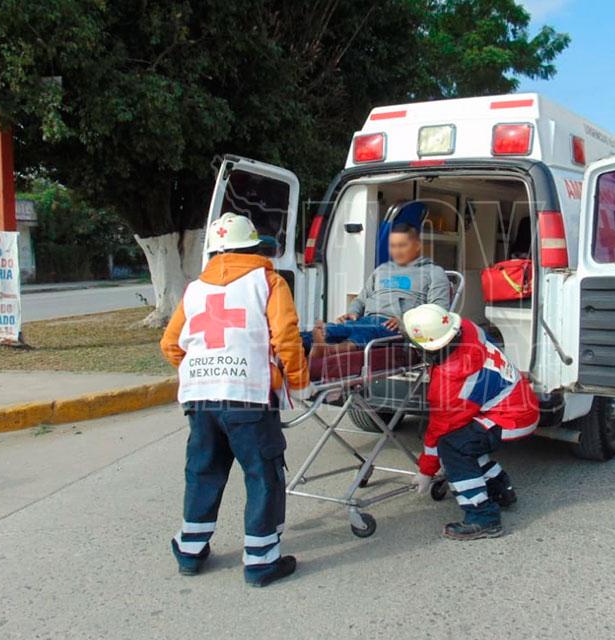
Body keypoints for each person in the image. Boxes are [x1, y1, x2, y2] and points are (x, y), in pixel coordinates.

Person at [160, 212, 310, 587]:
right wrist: (298, 381)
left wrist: (201, 370)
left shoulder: (195, 290)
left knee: (203, 471)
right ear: (254, 247)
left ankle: (191, 551)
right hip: (248, 396)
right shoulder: (268, 281)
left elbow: (170, 344)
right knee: (262, 474)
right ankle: (261, 561)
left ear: (214, 252)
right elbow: (286, 336)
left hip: (200, 399)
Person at [402, 303, 539, 540]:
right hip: (518, 400)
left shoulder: (451, 384)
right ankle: (501, 491)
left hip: (512, 417)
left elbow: (439, 430)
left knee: (453, 446)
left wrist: (426, 470)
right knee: (466, 439)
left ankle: (483, 518)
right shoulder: (469, 329)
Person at [302, 223, 450, 359]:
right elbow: (361, 299)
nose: (397, 251)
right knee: (333, 329)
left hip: (396, 327)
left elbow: (438, 312)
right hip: (365, 320)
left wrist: (405, 321)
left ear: (417, 246)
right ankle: (296, 347)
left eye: (402, 245)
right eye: (393, 246)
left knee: (368, 332)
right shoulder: (382, 270)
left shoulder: (433, 272)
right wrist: (353, 312)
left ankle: (330, 351)